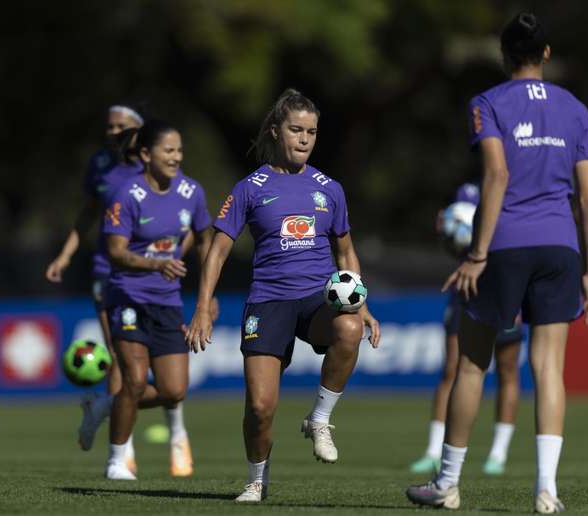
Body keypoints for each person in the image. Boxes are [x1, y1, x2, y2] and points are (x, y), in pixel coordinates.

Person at [406, 12, 588, 513]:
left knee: (471, 364)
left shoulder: (488, 102)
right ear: (547, 54)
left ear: (503, 54)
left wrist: (476, 254)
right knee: (549, 369)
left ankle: (447, 485)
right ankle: (546, 491)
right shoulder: (576, 108)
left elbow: (496, 175)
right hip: (561, 247)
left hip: (506, 244)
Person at [185, 89, 381, 503]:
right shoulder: (249, 188)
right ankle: (257, 480)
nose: (305, 139)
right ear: (277, 131)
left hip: (316, 299)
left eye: (311, 131)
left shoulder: (329, 188)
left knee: (348, 328)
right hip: (268, 302)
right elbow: (217, 252)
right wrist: (203, 307)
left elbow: (346, 253)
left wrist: (361, 306)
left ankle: (320, 419)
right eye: (296, 130)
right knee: (259, 409)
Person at [100, 120, 213, 480]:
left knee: (173, 391)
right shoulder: (125, 195)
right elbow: (115, 252)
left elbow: (205, 239)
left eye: (179, 150)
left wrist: (206, 297)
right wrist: (154, 264)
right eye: (168, 150)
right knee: (133, 380)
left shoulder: (192, 192)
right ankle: (117, 460)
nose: (176, 157)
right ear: (147, 154)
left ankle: (109, 404)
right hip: (128, 297)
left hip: (168, 302)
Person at [45, 103, 144, 472]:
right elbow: (88, 214)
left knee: (160, 376)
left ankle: (102, 408)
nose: (113, 131)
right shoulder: (101, 164)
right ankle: (122, 452)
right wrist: (65, 256)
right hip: (108, 269)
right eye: (109, 126)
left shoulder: (154, 164)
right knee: (119, 353)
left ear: (138, 130)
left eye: (121, 126)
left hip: (148, 273)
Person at [410, 182, 524, 477]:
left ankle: (498, 453)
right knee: (451, 370)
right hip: (464, 293)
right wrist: (446, 234)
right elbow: (455, 247)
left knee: (507, 371)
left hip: (503, 291)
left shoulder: (507, 205)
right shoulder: (455, 210)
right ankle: (434, 451)